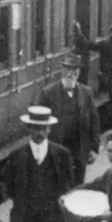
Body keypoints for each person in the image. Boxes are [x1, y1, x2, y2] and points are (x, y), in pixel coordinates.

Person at [35, 53, 101, 184]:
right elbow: (38, 125)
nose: (72, 73)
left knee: (77, 188)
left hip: (79, 152)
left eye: (75, 69)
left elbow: (94, 122)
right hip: (56, 152)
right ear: (62, 70)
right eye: (69, 69)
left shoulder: (86, 92)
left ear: (79, 72)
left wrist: (94, 149)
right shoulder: (48, 93)